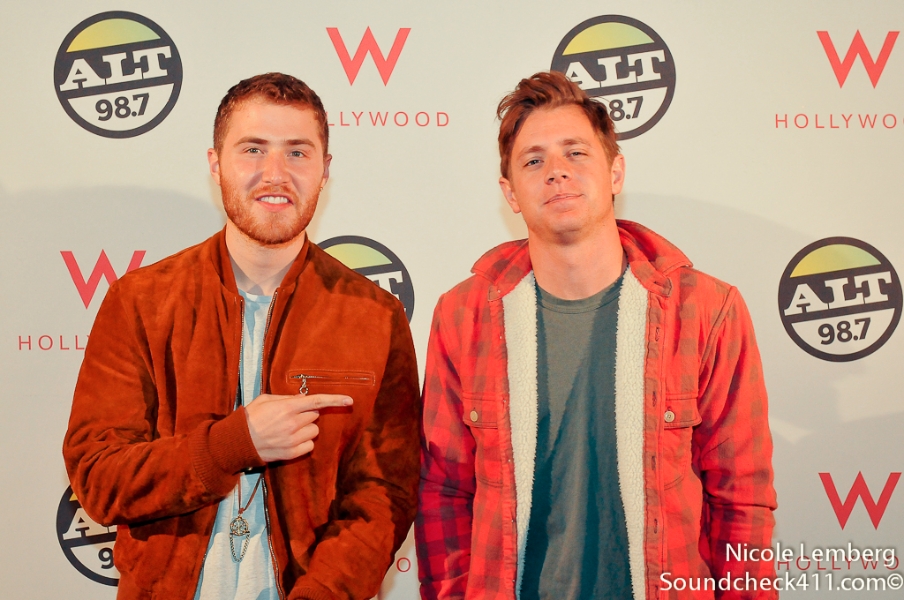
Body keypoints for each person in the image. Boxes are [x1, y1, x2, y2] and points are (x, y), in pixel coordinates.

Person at [416, 71, 777, 600]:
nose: (556, 173)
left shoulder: (707, 310)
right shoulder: (461, 315)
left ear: (615, 172)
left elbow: (742, 498)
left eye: (576, 153)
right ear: (510, 193)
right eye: (533, 161)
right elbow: (443, 492)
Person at [63, 73, 420, 600]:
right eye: (253, 149)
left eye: (298, 153)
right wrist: (232, 445)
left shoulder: (374, 315)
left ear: (325, 171)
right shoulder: (141, 300)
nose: (275, 174)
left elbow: (384, 495)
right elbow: (97, 476)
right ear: (216, 164)